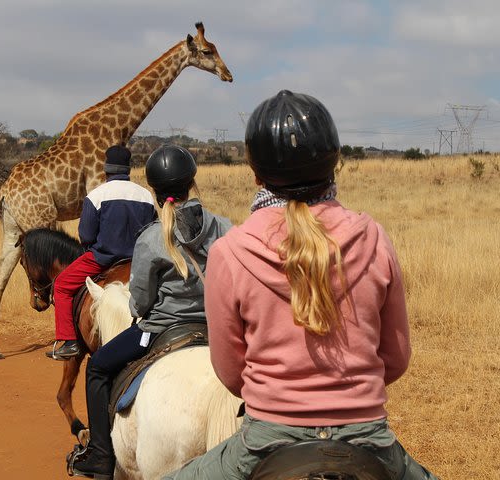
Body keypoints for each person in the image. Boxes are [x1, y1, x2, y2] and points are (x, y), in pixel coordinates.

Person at [163, 91, 438, 479]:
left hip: (265, 442)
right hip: (368, 441)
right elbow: (395, 359)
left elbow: (230, 373)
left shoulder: (230, 252)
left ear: (255, 173)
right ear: (334, 164)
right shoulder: (375, 237)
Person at [70, 145, 232, 478]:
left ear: (156, 192)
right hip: (216, 330)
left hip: (156, 331)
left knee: (98, 369)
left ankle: (100, 454)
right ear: (191, 184)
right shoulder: (224, 228)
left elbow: (139, 304)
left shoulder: (150, 238)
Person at [47, 145, 156, 359]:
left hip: (102, 260)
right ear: (128, 169)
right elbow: (153, 231)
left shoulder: (96, 195)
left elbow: (86, 235)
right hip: (139, 262)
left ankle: (69, 342)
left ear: (106, 170)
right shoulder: (146, 196)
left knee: (61, 285)